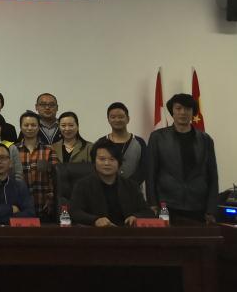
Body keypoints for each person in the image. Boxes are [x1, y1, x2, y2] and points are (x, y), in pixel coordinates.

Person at [147, 93, 219, 225]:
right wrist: (152, 203)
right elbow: (151, 173)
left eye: (187, 109)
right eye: (178, 108)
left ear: (193, 112)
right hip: (167, 204)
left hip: (198, 205)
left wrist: (211, 209)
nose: (183, 112)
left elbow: (212, 176)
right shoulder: (158, 137)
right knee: (168, 238)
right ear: (172, 111)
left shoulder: (205, 139)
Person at [70, 139, 154, 227]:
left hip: (125, 232)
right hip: (96, 233)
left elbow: (148, 212)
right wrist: (95, 220)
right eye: (102, 159)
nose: (107, 163)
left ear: (119, 163)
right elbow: (74, 212)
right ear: (94, 162)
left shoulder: (131, 186)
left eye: (112, 159)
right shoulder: (83, 185)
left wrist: (135, 217)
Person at [16, 110, 59, 222]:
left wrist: (51, 198)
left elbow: (55, 177)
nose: (30, 128)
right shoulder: (13, 150)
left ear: (39, 127)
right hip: (19, 206)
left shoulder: (49, 150)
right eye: (26, 125)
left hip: (44, 206)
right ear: (20, 127)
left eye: (33, 125)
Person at [92, 102, 146, 184]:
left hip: (133, 189)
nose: (117, 120)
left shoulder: (139, 142)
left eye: (121, 117)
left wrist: (128, 186)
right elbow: (96, 167)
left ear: (128, 119)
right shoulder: (101, 142)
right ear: (108, 120)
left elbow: (144, 168)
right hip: (105, 188)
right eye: (113, 117)